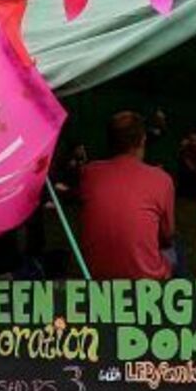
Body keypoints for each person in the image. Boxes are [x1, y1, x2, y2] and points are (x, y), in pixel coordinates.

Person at [79, 111, 176, 280]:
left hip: (95, 275)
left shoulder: (89, 173)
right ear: (143, 139)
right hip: (146, 279)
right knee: (176, 247)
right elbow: (167, 236)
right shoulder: (162, 180)